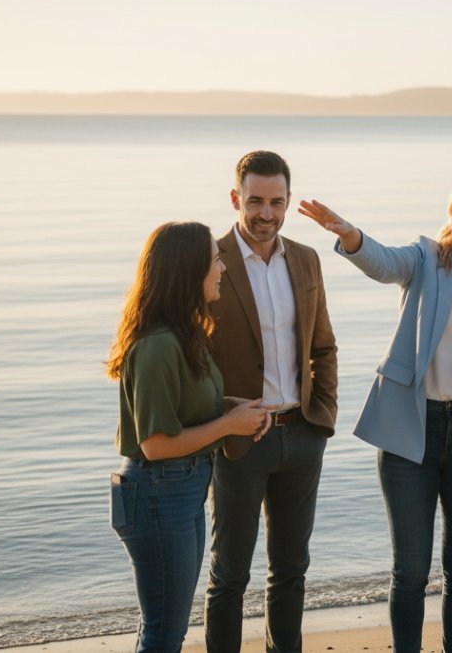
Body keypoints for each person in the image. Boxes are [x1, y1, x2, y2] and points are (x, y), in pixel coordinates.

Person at [298, 175, 452, 653]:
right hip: (412, 427)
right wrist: (349, 234)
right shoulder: (427, 259)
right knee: (409, 570)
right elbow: (383, 263)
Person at [107, 221, 272, 653]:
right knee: (165, 631)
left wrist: (237, 408)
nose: (222, 268)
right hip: (159, 491)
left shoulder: (185, 335)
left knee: (165, 627)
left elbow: (194, 405)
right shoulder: (157, 345)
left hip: (182, 488)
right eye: (215, 260)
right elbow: (156, 444)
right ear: (188, 271)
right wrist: (228, 426)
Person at [204, 151, 339, 653]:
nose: (266, 213)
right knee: (230, 574)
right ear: (237, 198)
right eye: (256, 201)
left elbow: (323, 345)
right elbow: (193, 360)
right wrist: (222, 416)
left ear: (287, 201)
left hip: (301, 435)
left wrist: (321, 417)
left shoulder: (306, 259)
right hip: (239, 441)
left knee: (291, 570)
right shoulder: (210, 259)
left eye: (276, 202)